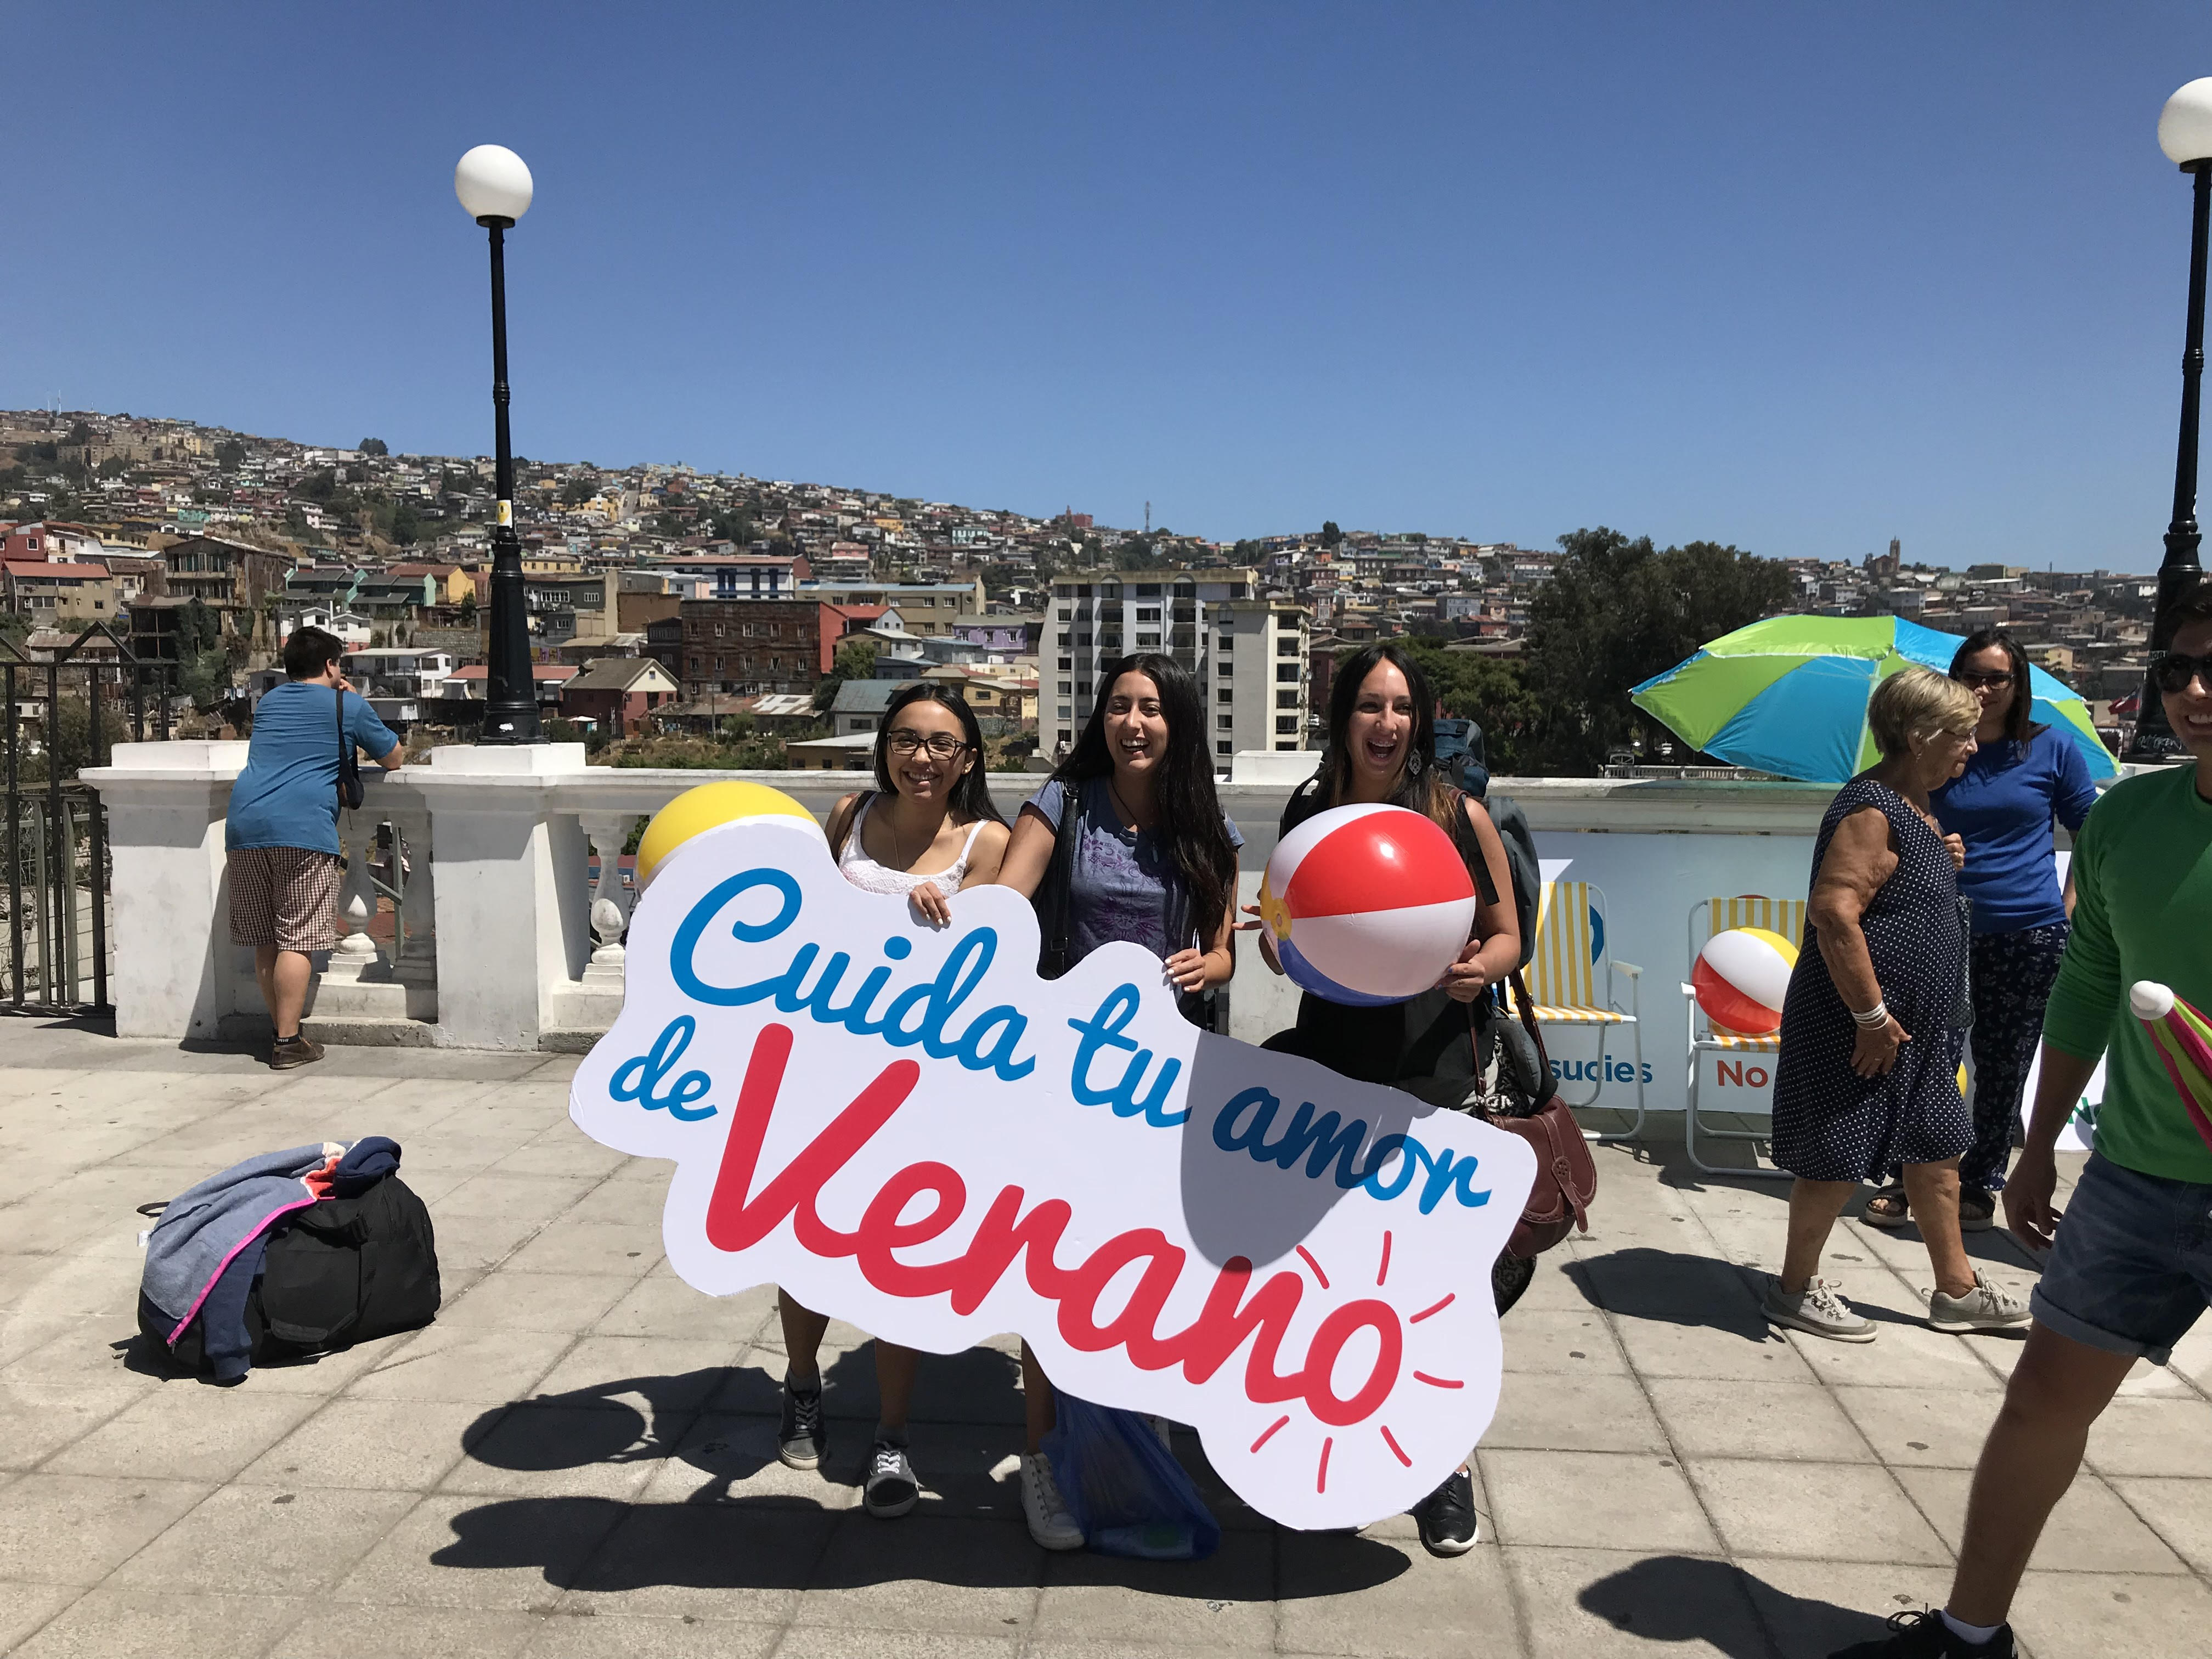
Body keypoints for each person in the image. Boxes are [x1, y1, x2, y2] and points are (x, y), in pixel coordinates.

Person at [1832, 583, 2212, 1659]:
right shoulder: (2127, 821)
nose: (2194, 690)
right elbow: (2090, 987)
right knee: (2040, 1400)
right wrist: (2037, 1149)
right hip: (2137, 1178)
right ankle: (1967, 1636)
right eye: (2177, 668)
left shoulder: (2066, 775)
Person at [1239, 642, 1522, 1559]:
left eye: (1402, 707)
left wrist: (1479, 970)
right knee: (1337, 1269)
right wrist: (1276, 941)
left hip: (1431, 1068)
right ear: (1342, 717)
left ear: (1421, 720)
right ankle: (1346, 1442)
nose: (1387, 723)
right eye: (1369, 704)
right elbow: (1280, 931)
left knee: (1431, 1278)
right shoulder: (1310, 809)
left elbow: (1507, 937)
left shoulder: (1455, 814)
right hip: (1332, 1062)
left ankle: (1443, 1464)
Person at [994, 651, 1241, 1550]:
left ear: (1179, 723)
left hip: (1164, 1084)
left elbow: (1224, 947)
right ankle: (1044, 1456)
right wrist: (948, 907)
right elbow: (1006, 903)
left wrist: (1210, 963)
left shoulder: (1204, 823)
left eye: (1151, 708)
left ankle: (1136, 1433)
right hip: (1064, 1073)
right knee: (1050, 1262)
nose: (1133, 722)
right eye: (1118, 706)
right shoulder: (1063, 802)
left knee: (1148, 1262)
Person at [772, 685, 1009, 1519]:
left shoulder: (987, 844)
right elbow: (805, 923)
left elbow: (993, 967)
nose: (922, 758)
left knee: (896, 1258)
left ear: (968, 760)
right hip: (825, 1071)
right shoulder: (847, 816)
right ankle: (804, 1385)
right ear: (884, 748)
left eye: (942, 744)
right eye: (906, 740)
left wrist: (942, 926)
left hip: (923, 1089)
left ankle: (892, 1434)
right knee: (802, 1243)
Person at [1762, 667, 2028, 1342]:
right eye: (1962, 734)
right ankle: (1793, 1289)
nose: (1972, 747)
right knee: (1835, 1157)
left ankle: (1957, 1291)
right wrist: (1872, 1018)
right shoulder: (1873, 809)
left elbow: (1895, 889)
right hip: (1864, 1024)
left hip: (1916, 1028)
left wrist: (1938, 857)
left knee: (1938, 1151)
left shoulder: (1912, 809)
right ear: (1918, 736)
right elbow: (1833, 911)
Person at [1863, 630, 2098, 1233]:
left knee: (2003, 1066)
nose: (1984, 689)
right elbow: (1892, 817)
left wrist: (2069, 908)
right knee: (1926, 1059)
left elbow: (2093, 835)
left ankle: (1979, 1182)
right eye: (1972, 675)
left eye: (1998, 678)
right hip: (1937, 927)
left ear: (2018, 685)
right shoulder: (1931, 747)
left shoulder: (2053, 748)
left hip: (2028, 934)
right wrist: (1924, 844)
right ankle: (1909, 1178)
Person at [224, 627, 402, 1071]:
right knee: (297, 938)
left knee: (266, 938)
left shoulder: (269, 703)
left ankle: (284, 1033)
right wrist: (351, 699)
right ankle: (287, 1041)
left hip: (245, 825)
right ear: (330, 665)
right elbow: (394, 757)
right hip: (302, 828)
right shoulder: (346, 704)